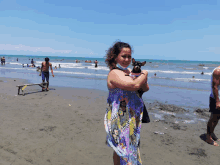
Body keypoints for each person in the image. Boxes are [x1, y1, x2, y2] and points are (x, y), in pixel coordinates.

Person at [104, 41, 149, 164]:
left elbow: (145, 88)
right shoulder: (114, 73)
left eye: (129, 56)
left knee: (123, 148)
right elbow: (134, 85)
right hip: (120, 118)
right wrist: (144, 73)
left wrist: (141, 77)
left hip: (131, 117)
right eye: (123, 56)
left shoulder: (129, 72)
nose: (127, 59)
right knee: (125, 150)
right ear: (115, 56)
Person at [206, 66, 220, 146]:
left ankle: (212, 133)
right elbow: (215, 86)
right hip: (216, 99)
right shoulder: (217, 71)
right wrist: (217, 101)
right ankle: (208, 137)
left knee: (217, 118)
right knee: (214, 118)